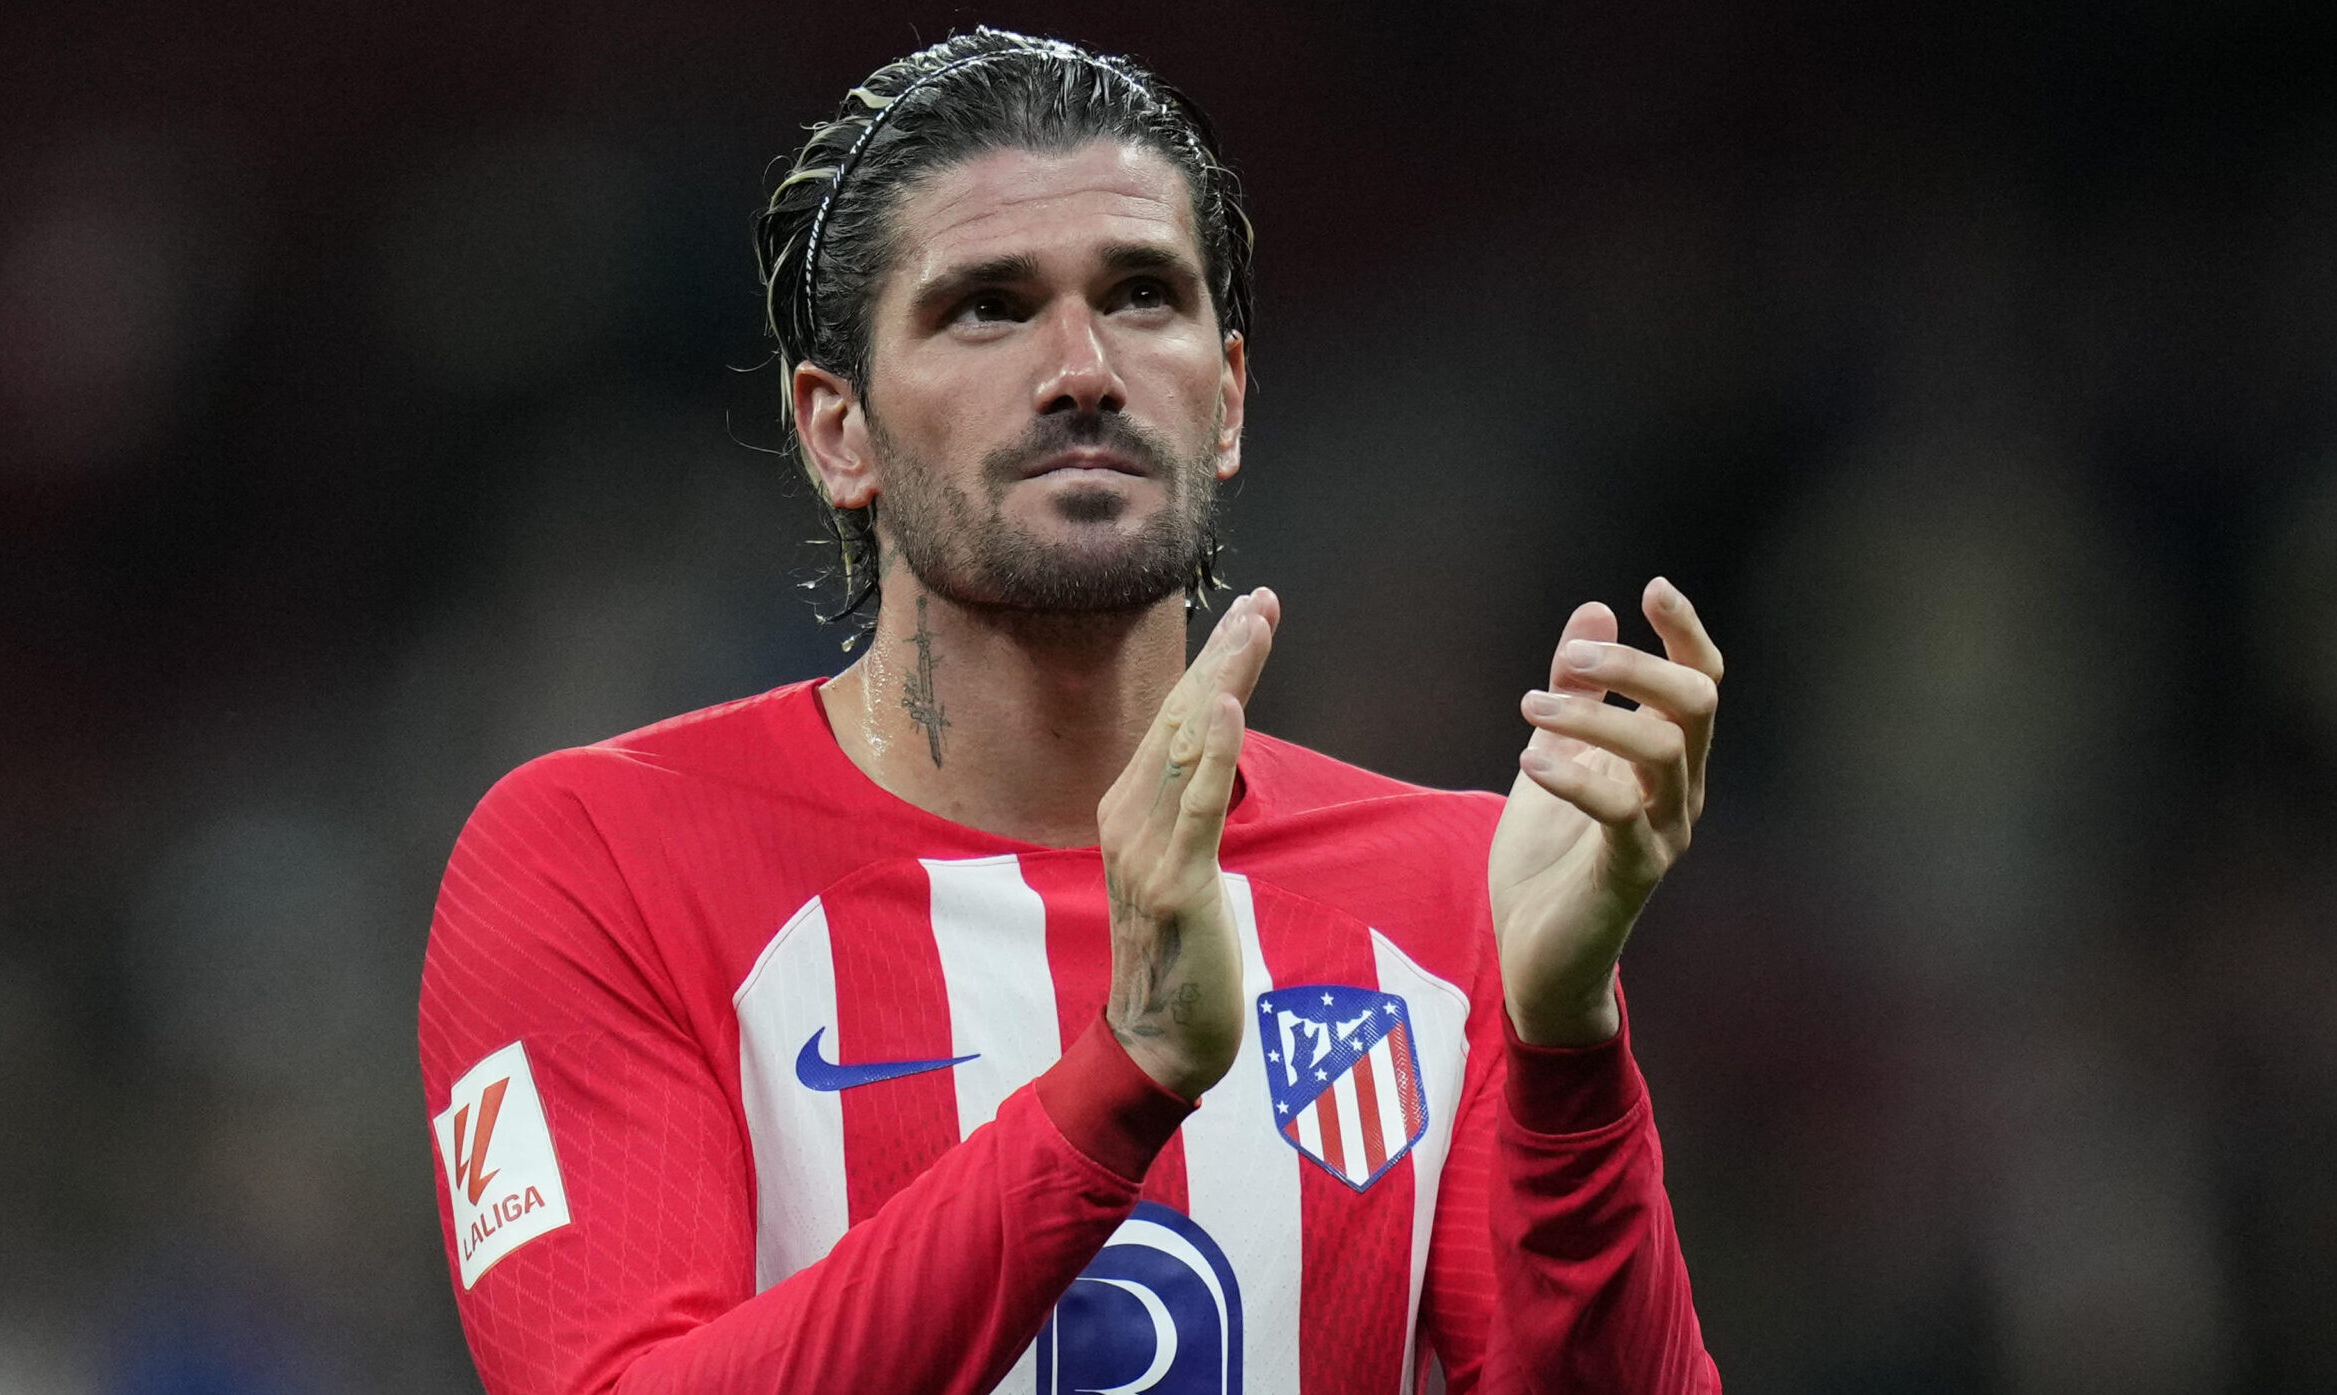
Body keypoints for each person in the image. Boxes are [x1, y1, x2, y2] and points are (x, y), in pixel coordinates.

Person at [419, 26, 1724, 1395]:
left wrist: (1568, 1044)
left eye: (1144, 295)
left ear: (1225, 399)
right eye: (988, 306)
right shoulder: (599, 862)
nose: (1084, 367)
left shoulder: (1449, 897)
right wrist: (1125, 1077)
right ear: (835, 432)